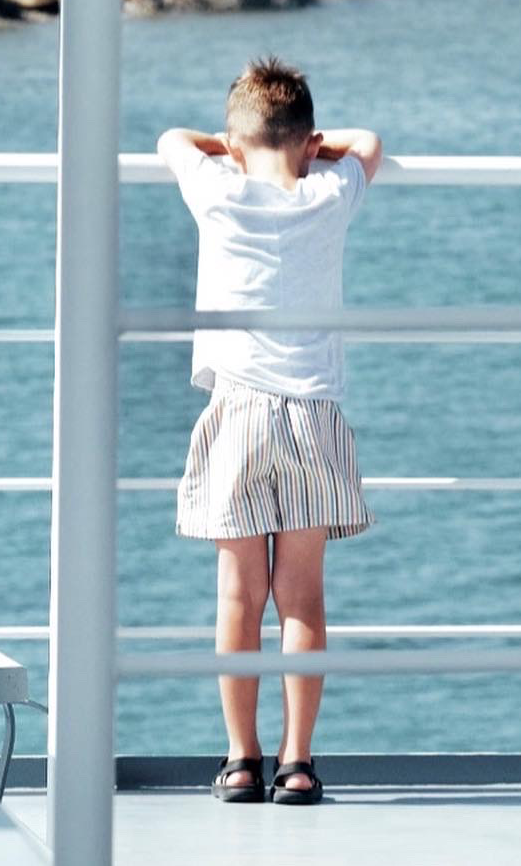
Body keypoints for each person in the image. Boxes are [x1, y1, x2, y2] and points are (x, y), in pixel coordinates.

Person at [158, 56, 382, 807]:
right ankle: (299, 762)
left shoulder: (217, 189)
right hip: (312, 412)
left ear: (235, 137)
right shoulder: (327, 191)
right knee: (303, 600)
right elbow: (370, 141)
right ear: (309, 139)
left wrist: (227, 145)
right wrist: (316, 149)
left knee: (237, 596)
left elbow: (171, 138)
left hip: (240, 410)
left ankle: (241, 757)